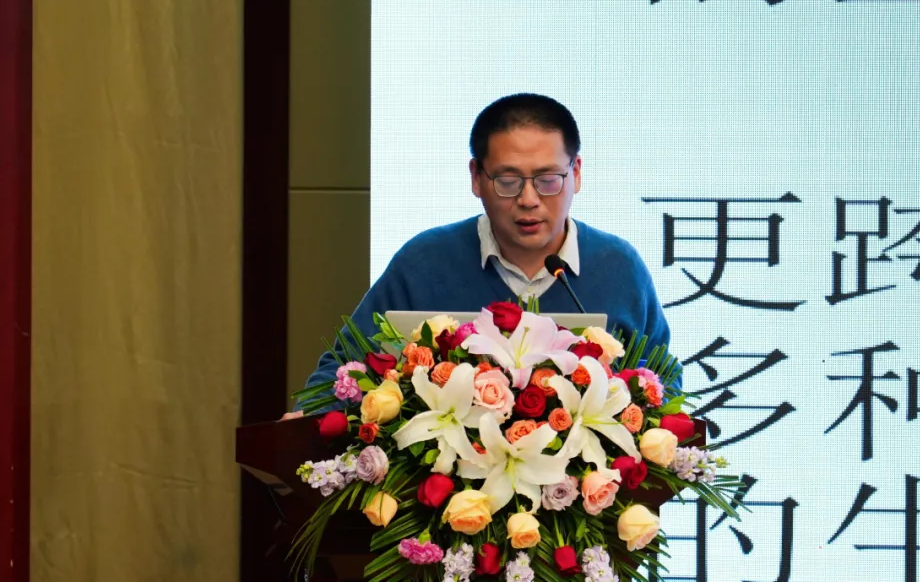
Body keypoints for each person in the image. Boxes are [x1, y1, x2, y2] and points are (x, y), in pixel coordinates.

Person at [287, 93, 673, 416]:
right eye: (507, 180)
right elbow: (344, 370)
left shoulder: (618, 267)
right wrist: (309, 420)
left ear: (576, 174)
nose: (528, 199)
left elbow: (663, 385)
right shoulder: (425, 262)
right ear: (476, 177)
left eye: (548, 180)